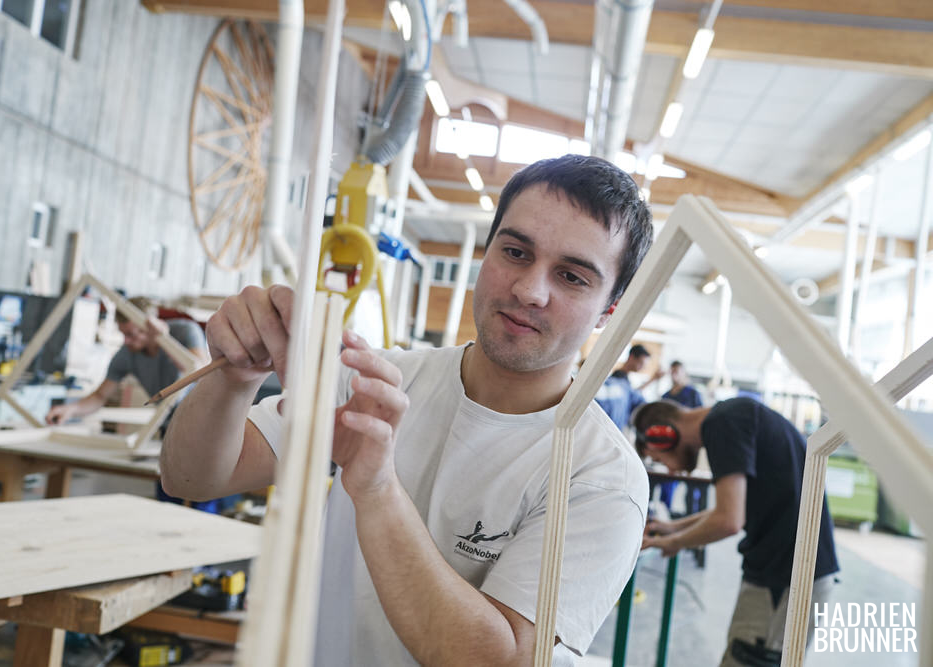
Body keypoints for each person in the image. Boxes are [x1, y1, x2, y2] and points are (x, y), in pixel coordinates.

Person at [160, 154, 654, 666]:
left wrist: (377, 489)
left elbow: (497, 662)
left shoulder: (602, 479)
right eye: (515, 252)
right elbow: (190, 478)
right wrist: (234, 378)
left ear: (610, 310)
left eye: (572, 277)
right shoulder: (377, 379)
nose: (529, 290)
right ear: (487, 254)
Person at [631, 398, 839, 667]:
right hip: (788, 573)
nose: (670, 469)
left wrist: (673, 542)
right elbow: (732, 507)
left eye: (659, 458)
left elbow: (729, 520)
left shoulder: (722, 423)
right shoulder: (734, 416)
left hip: (784, 580)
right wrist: (673, 527)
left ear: (664, 435)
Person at [45, 297, 208, 425]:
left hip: (203, 417)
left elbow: (200, 373)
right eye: (123, 334)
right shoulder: (127, 354)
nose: (126, 341)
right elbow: (100, 396)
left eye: (131, 334)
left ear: (149, 326)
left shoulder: (185, 331)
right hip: (169, 420)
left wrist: (164, 340)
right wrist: (70, 410)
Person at [595, 343, 663, 430]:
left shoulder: (625, 380)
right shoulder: (617, 379)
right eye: (641, 363)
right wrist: (652, 380)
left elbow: (632, 394)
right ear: (631, 357)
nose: (642, 367)